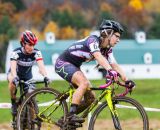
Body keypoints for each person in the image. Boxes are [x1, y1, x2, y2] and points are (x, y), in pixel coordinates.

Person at [55, 19, 135, 123]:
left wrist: (126, 80)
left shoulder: (107, 49)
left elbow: (114, 64)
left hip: (75, 66)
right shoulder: (93, 41)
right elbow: (97, 56)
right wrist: (110, 70)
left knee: (91, 98)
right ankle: (71, 115)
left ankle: (64, 119)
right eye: (117, 36)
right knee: (83, 83)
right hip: (63, 63)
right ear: (108, 33)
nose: (118, 40)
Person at [7, 30, 50, 116]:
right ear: (23, 43)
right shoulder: (16, 53)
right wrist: (15, 77)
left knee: (31, 96)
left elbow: (41, 67)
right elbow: (13, 68)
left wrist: (46, 76)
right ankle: (13, 103)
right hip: (15, 74)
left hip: (27, 76)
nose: (32, 48)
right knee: (12, 81)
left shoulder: (36, 53)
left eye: (33, 45)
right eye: (30, 45)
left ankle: (31, 119)